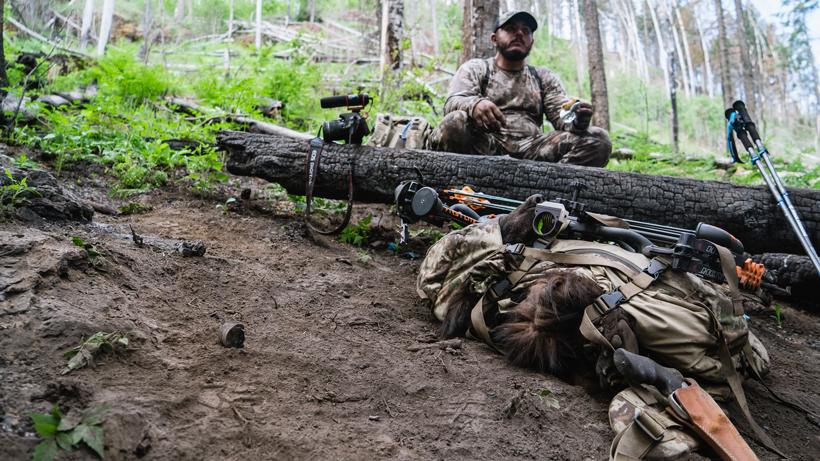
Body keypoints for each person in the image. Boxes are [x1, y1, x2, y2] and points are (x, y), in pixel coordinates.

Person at [429, 11, 611, 167]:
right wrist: (475, 104)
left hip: (532, 151)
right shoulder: (476, 68)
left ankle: (553, 189)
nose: (519, 34)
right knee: (455, 121)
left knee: (598, 139)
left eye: (526, 31)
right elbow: (452, 102)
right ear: (494, 38)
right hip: (484, 148)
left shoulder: (543, 77)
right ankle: (458, 185)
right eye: (510, 29)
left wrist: (578, 118)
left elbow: (562, 116)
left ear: (531, 41)